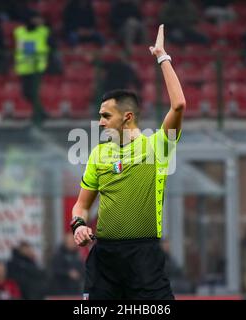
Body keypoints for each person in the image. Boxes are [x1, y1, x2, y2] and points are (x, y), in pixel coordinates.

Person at [71, 25, 186, 300]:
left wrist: (162, 57)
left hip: (144, 259)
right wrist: (78, 225)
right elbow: (82, 204)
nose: (99, 122)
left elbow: (179, 105)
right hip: (105, 261)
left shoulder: (157, 146)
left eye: (106, 116)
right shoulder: (98, 154)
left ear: (128, 117)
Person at [14, 12, 51, 123]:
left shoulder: (44, 31)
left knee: (33, 92)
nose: (38, 21)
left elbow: (50, 44)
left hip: (37, 67)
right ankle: (41, 113)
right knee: (26, 92)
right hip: (24, 66)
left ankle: (38, 115)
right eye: (36, 19)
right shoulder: (19, 32)